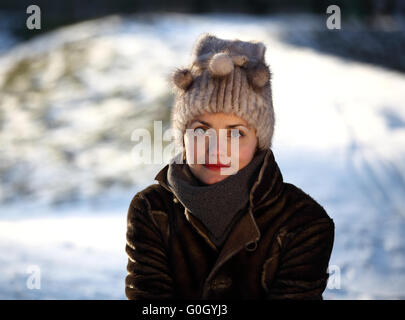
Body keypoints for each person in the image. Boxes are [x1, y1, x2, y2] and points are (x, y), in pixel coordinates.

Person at [125, 33, 335, 299]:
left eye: (235, 133)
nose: (216, 150)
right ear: (183, 138)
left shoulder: (304, 223)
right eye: (201, 131)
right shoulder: (153, 211)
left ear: (259, 141)